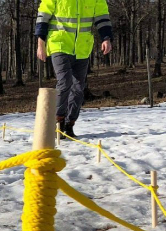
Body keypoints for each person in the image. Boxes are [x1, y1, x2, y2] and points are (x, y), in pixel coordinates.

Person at [34, 0, 113, 139]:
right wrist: (41, 43)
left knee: (78, 88)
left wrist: (106, 38)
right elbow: (43, 15)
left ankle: (69, 124)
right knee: (65, 82)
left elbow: (102, 16)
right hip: (59, 44)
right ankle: (58, 122)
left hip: (82, 48)